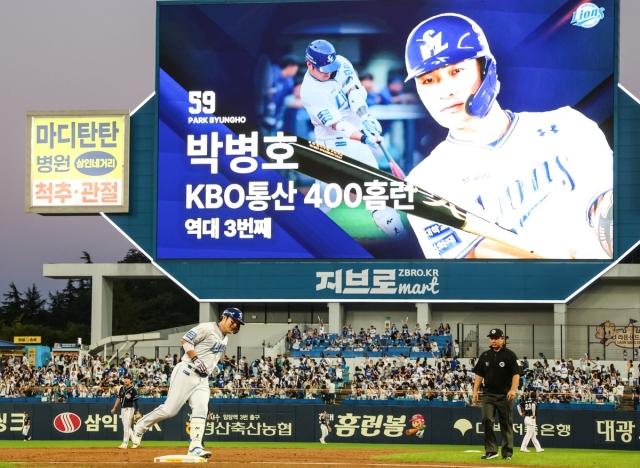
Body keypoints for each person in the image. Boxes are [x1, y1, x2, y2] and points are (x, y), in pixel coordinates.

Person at [404, 13, 613, 260]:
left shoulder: (568, 126)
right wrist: (570, 257)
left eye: (456, 71)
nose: (444, 91)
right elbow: (477, 266)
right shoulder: (426, 181)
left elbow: (610, 210)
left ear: (487, 70)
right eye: (429, 80)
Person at [300, 39, 407, 240]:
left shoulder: (341, 63)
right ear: (309, 65)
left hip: (357, 140)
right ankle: (291, 240)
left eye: (330, 68)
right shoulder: (310, 91)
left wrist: (365, 116)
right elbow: (337, 125)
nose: (328, 72)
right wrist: (364, 137)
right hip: (330, 148)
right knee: (324, 203)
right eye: (323, 69)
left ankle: (401, 239)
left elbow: (354, 92)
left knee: (378, 197)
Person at [130, 308, 245, 459]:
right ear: (224, 317)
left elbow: (210, 354)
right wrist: (196, 359)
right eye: (233, 321)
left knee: (201, 409)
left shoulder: (225, 338)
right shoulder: (207, 327)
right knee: (170, 410)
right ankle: (140, 426)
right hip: (186, 371)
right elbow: (185, 339)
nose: (235, 325)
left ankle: (195, 446)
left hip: (202, 379)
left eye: (238, 324)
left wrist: (214, 367)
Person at [472, 328, 520, 460]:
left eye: (496, 338)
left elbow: (516, 374)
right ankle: (491, 451)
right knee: (486, 420)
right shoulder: (485, 355)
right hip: (488, 394)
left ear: (502, 339)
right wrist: (475, 391)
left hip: (505, 395)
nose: (493, 340)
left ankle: (507, 453)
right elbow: (479, 374)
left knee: (506, 424)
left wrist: (512, 389)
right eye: (491, 338)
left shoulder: (510, 355)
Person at [111, 375, 141, 449]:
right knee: (126, 427)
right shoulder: (122, 388)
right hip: (122, 409)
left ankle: (125, 443)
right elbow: (119, 398)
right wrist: (114, 408)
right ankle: (136, 442)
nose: (126, 380)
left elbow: (136, 401)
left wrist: (137, 411)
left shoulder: (133, 390)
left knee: (126, 427)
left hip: (129, 409)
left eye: (127, 379)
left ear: (130, 380)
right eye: (125, 379)